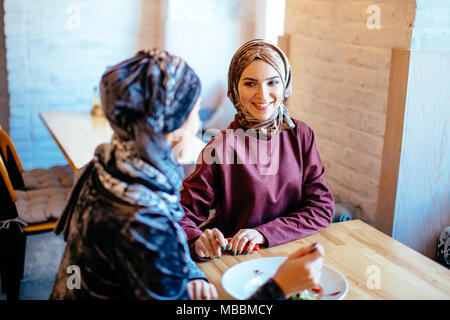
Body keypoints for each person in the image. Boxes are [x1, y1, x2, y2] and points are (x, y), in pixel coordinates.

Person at [49, 49, 324, 300]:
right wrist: (280, 287)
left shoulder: (109, 169)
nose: (198, 121)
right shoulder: (144, 219)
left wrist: (186, 272)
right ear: (170, 120)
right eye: (196, 108)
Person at [179, 39, 335, 260]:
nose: (262, 95)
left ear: (285, 84)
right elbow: (181, 216)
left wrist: (263, 233)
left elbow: (321, 207)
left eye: (272, 82)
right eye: (250, 83)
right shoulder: (220, 148)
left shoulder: (301, 135)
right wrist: (198, 241)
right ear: (235, 88)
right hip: (240, 263)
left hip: (295, 254)